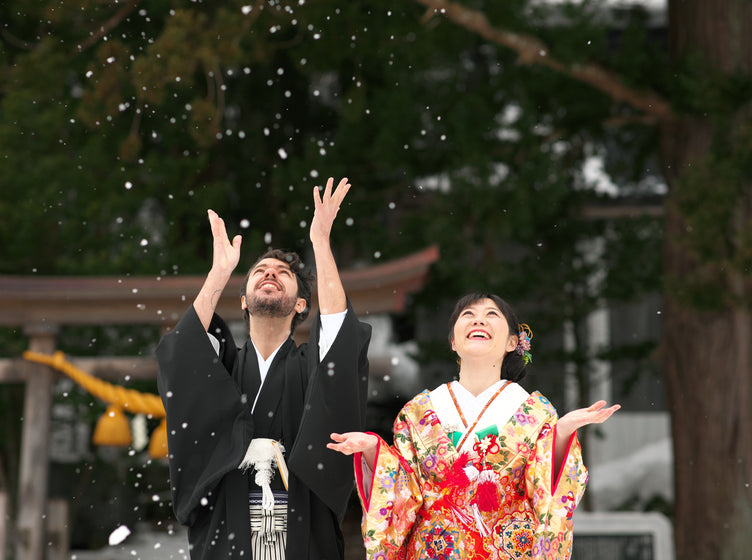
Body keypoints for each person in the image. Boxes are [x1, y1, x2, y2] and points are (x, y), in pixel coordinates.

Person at [156, 177, 372, 560]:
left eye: (283, 273)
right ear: (242, 301)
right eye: (260, 271)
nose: (270, 273)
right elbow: (182, 357)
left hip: (301, 524)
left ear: (302, 305)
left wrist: (321, 242)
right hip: (229, 525)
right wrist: (219, 273)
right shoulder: (221, 369)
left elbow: (341, 337)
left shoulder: (312, 368)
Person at [327, 292, 619, 559]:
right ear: (453, 341)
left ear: (512, 342)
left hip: (508, 548)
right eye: (467, 314)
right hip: (435, 548)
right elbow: (403, 491)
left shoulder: (535, 412)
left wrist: (563, 433)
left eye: (492, 314)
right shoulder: (418, 412)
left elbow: (548, 493)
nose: (479, 318)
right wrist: (372, 450)